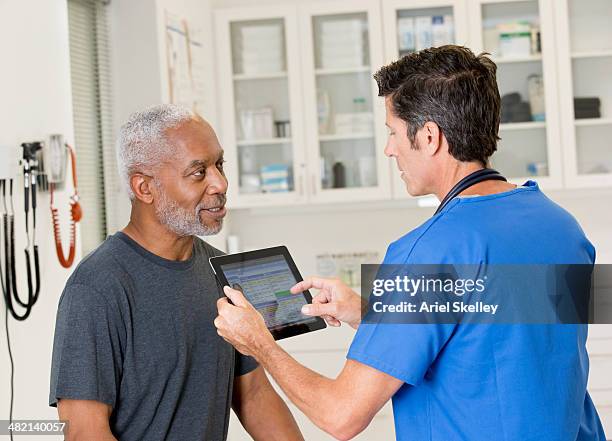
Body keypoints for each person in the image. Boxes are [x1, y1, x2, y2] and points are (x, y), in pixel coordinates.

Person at [214, 46, 607, 440]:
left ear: (430, 136)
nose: (389, 148)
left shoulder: (424, 252)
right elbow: (500, 336)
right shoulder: (562, 227)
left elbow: (340, 415)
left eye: (393, 131)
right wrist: (371, 314)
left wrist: (259, 342)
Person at [49, 104, 303, 441]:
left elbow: (255, 396)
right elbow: (84, 432)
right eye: (199, 172)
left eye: (219, 165)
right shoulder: (97, 288)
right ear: (144, 188)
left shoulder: (223, 275)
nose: (221, 183)